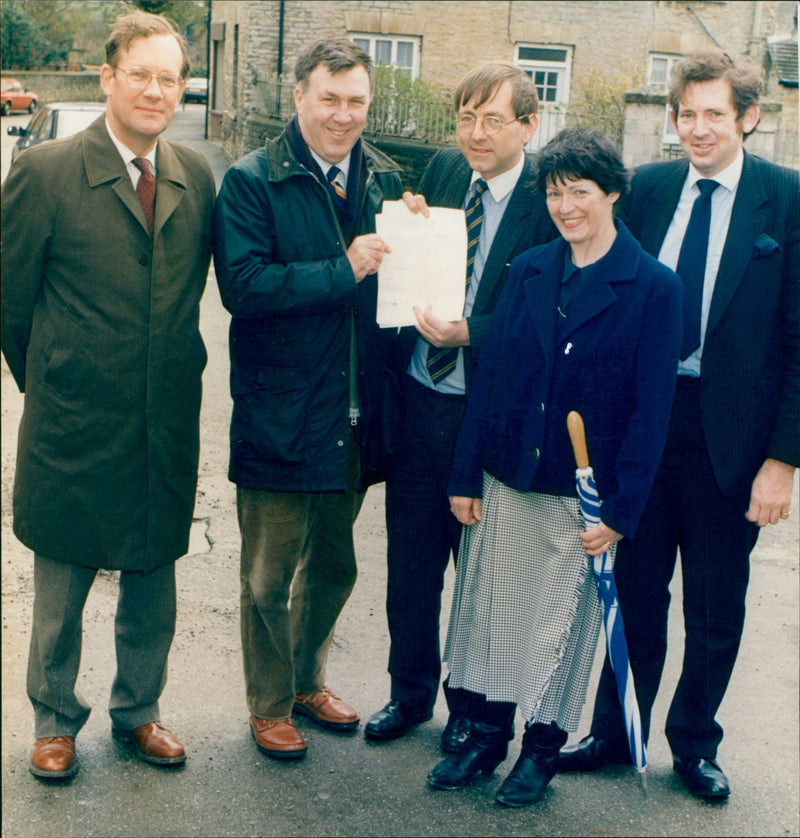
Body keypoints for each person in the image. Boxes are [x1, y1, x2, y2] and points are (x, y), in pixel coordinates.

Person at [557, 51, 799, 800]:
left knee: (716, 606)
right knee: (630, 591)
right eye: (685, 114)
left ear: (748, 118)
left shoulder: (786, 201)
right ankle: (613, 728)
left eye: (713, 115)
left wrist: (783, 462)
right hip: (642, 429)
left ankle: (694, 743)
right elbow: (583, 252)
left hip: (732, 444)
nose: (696, 129)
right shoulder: (650, 189)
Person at [424, 128, 682, 808]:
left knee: (558, 632)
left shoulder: (653, 288)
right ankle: (482, 737)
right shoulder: (531, 268)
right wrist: (463, 475)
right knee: (489, 618)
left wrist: (622, 513)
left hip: (583, 500)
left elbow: (652, 413)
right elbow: (491, 381)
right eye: (556, 191)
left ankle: (540, 751)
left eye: (582, 192)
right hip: (508, 478)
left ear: (613, 195)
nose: (567, 206)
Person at [1, 9, 216, 781]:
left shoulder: (195, 178)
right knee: (61, 584)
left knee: (152, 581)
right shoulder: (47, 171)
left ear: (182, 89)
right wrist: (56, 378)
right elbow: (11, 303)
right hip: (72, 423)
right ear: (107, 78)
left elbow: (204, 287)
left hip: (161, 424)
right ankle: (54, 720)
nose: (155, 91)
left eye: (170, 78)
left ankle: (139, 713)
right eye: (141, 74)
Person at [211, 37, 403, 762]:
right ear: (299, 96)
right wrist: (342, 268)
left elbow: (399, 293)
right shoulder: (252, 181)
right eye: (330, 98)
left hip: (354, 417)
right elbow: (245, 288)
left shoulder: (381, 182)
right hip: (280, 412)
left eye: (357, 102)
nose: (344, 115)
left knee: (334, 566)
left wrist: (415, 237)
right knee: (267, 574)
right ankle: (267, 705)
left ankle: (305, 680)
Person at [364, 63, 558, 751]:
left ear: (529, 126)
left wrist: (472, 332)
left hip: (494, 418)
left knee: (484, 581)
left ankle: (473, 712)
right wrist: (412, 226)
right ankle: (408, 695)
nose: (476, 134)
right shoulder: (446, 170)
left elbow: (551, 317)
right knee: (411, 570)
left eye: (494, 120)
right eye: (466, 118)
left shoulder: (549, 199)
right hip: (421, 404)